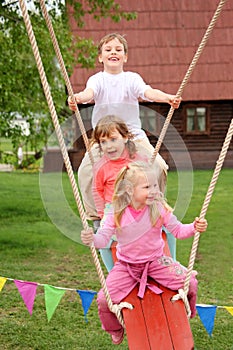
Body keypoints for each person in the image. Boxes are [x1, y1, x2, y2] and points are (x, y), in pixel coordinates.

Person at [81, 162, 208, 345]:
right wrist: (92, 239)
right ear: (130, 190)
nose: (154, 191)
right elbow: (102, 240)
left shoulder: (158, 208)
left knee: (191, 283)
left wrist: (194, 227)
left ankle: (189, 310)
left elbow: (179, 231)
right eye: (148, 187)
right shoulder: (116, 213)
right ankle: (115, 328)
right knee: (103, 300)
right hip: (127, 266)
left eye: (155, 185)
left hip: (156, 261)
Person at [68, 33, 181, 223]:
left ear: (125, 57)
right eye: (108, 49)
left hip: (132, 137)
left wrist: (167, 97)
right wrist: (77, 98)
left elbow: (148, 92)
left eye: (118, 50)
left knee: (159, 166)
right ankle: (97, 217)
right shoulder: (98, 80)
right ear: (100, 57)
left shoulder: (131, 79)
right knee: (85, 173)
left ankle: (155, 208)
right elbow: (89, 94)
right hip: (104, 140)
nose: (113, 52)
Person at [92, 115, 151, 272]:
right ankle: (113, 273)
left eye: (113, 139)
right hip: (113, 209)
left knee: (166, 225)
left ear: (125, 138)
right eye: (103, 142)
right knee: (103, 239)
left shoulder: (137, 160)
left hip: (136, 206)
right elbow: (97, 190)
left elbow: (148, 183)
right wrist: (101, 214)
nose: (108, 146)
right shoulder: (101, 167)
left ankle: (169, 259)